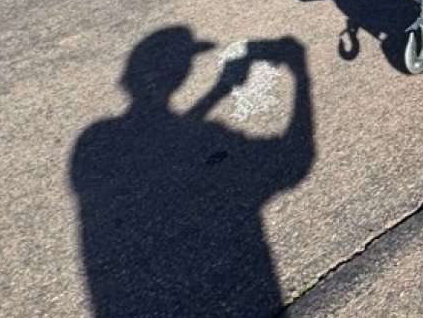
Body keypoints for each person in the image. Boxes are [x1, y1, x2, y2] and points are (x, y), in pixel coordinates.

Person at [69, 28, 314, 318]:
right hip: (231, 291)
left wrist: (217, 92)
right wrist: (300, 72)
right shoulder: (208, 138)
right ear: (176, 72)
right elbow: (294, 160)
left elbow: (162, 143)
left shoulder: (97, 139)